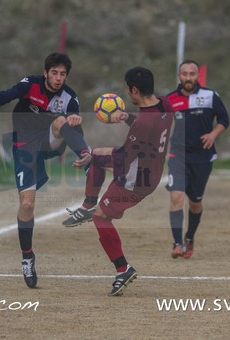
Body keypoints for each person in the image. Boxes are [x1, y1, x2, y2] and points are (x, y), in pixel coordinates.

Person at [0, 52, 92, 288]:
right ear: (45, 73)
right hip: (24, 147)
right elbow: (5, 96)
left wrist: (75, 122)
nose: (58, 78)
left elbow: (74, 122)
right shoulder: (31, 85)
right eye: (54, 73)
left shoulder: (69, 97)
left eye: (63, 74)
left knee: (62, 122)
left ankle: (87, 160)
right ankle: (27, 257)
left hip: (50, 140)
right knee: (27, 205)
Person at [64, 67, 173, 296]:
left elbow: (124, 156)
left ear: (134, 89)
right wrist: (127, 118)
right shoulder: (164, 104)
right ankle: (86, 205)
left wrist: (92, 153)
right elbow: (149, 132)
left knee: (101, 217)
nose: (127, 94)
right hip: (151, 170)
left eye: (128, 89)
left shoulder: (143, 122)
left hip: (137, 179)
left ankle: (123, 269)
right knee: (97, 159)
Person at [165, 60, 230, 259]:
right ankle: (177, 243)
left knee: (195, 203)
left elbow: (224, 120)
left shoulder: (210, 96)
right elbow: (158, 123)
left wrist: (213, 134)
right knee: (176, 197)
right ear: (179, 76)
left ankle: (189, 237)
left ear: (197, 75)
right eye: (184, 74)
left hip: (202, 157)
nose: (188, 77)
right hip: (178, 155)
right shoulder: (170, 99)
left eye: (192, 73)